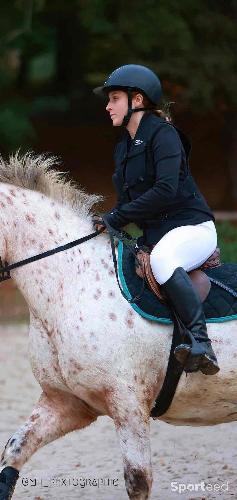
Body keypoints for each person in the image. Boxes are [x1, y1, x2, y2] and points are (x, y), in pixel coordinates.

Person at [93, 64, 219, 375]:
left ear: (137, 100)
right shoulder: (123, 148)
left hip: (193, 229)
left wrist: (117, 216)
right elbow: (126, 204)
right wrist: (104, 223)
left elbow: (165, 190)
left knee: (162, 260)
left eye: (114, 98)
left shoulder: (164, 135)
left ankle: (202, 342)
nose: (108, 106)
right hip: (159, 235)